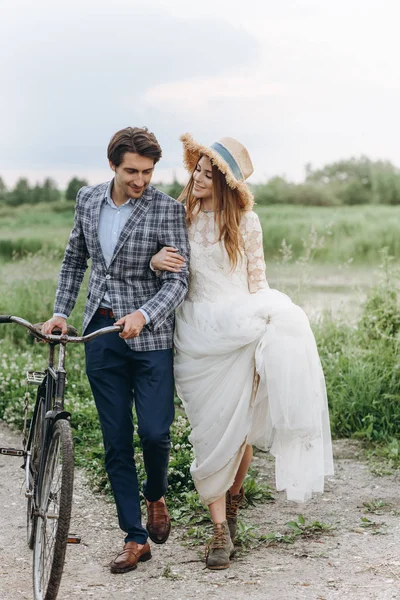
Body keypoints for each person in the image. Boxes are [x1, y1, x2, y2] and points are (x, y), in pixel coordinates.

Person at [151, 134, 334, 570]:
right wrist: (155, 261)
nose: (197, 177)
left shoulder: (247, 223)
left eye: (208, 173)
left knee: (241, 430)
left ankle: (224, 520)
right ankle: (220, 516)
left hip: (240, 328)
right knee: (210, 430)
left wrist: (270, 322)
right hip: (195, 334)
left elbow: (258, 281)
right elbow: (161, 262)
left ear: (227, 184)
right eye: (197, 168)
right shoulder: (181, 216)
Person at [42, 127, 190, 574]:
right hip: (100, 334)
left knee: (154, 433)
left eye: (147, 172)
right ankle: (134, 537)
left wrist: (144, 314)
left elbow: (179, 280)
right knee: (116, 440)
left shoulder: (167, 209)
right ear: (113, 166)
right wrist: (61, 313)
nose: (140, 180)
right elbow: (75, 260)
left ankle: (156, 495)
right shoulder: (88, 200)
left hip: (150, 338)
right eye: (131, 171)